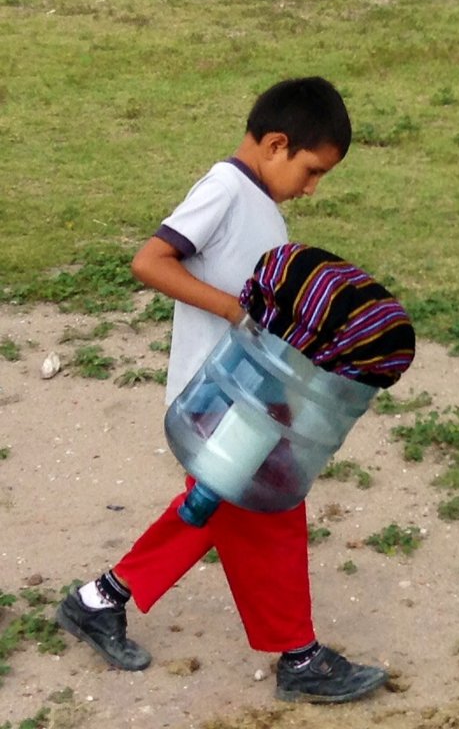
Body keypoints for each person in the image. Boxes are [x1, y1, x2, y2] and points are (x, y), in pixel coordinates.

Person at [55, 77, 398, 705]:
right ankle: (300, 658)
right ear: (276, 144)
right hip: (218, 394)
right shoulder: (225, 190)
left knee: (216, 507)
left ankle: (99, 599)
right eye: (313, 171)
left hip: (249, 393)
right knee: (269, 508)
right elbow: (150, 261)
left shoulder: (259, 202)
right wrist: (236, 314)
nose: (313, 188)